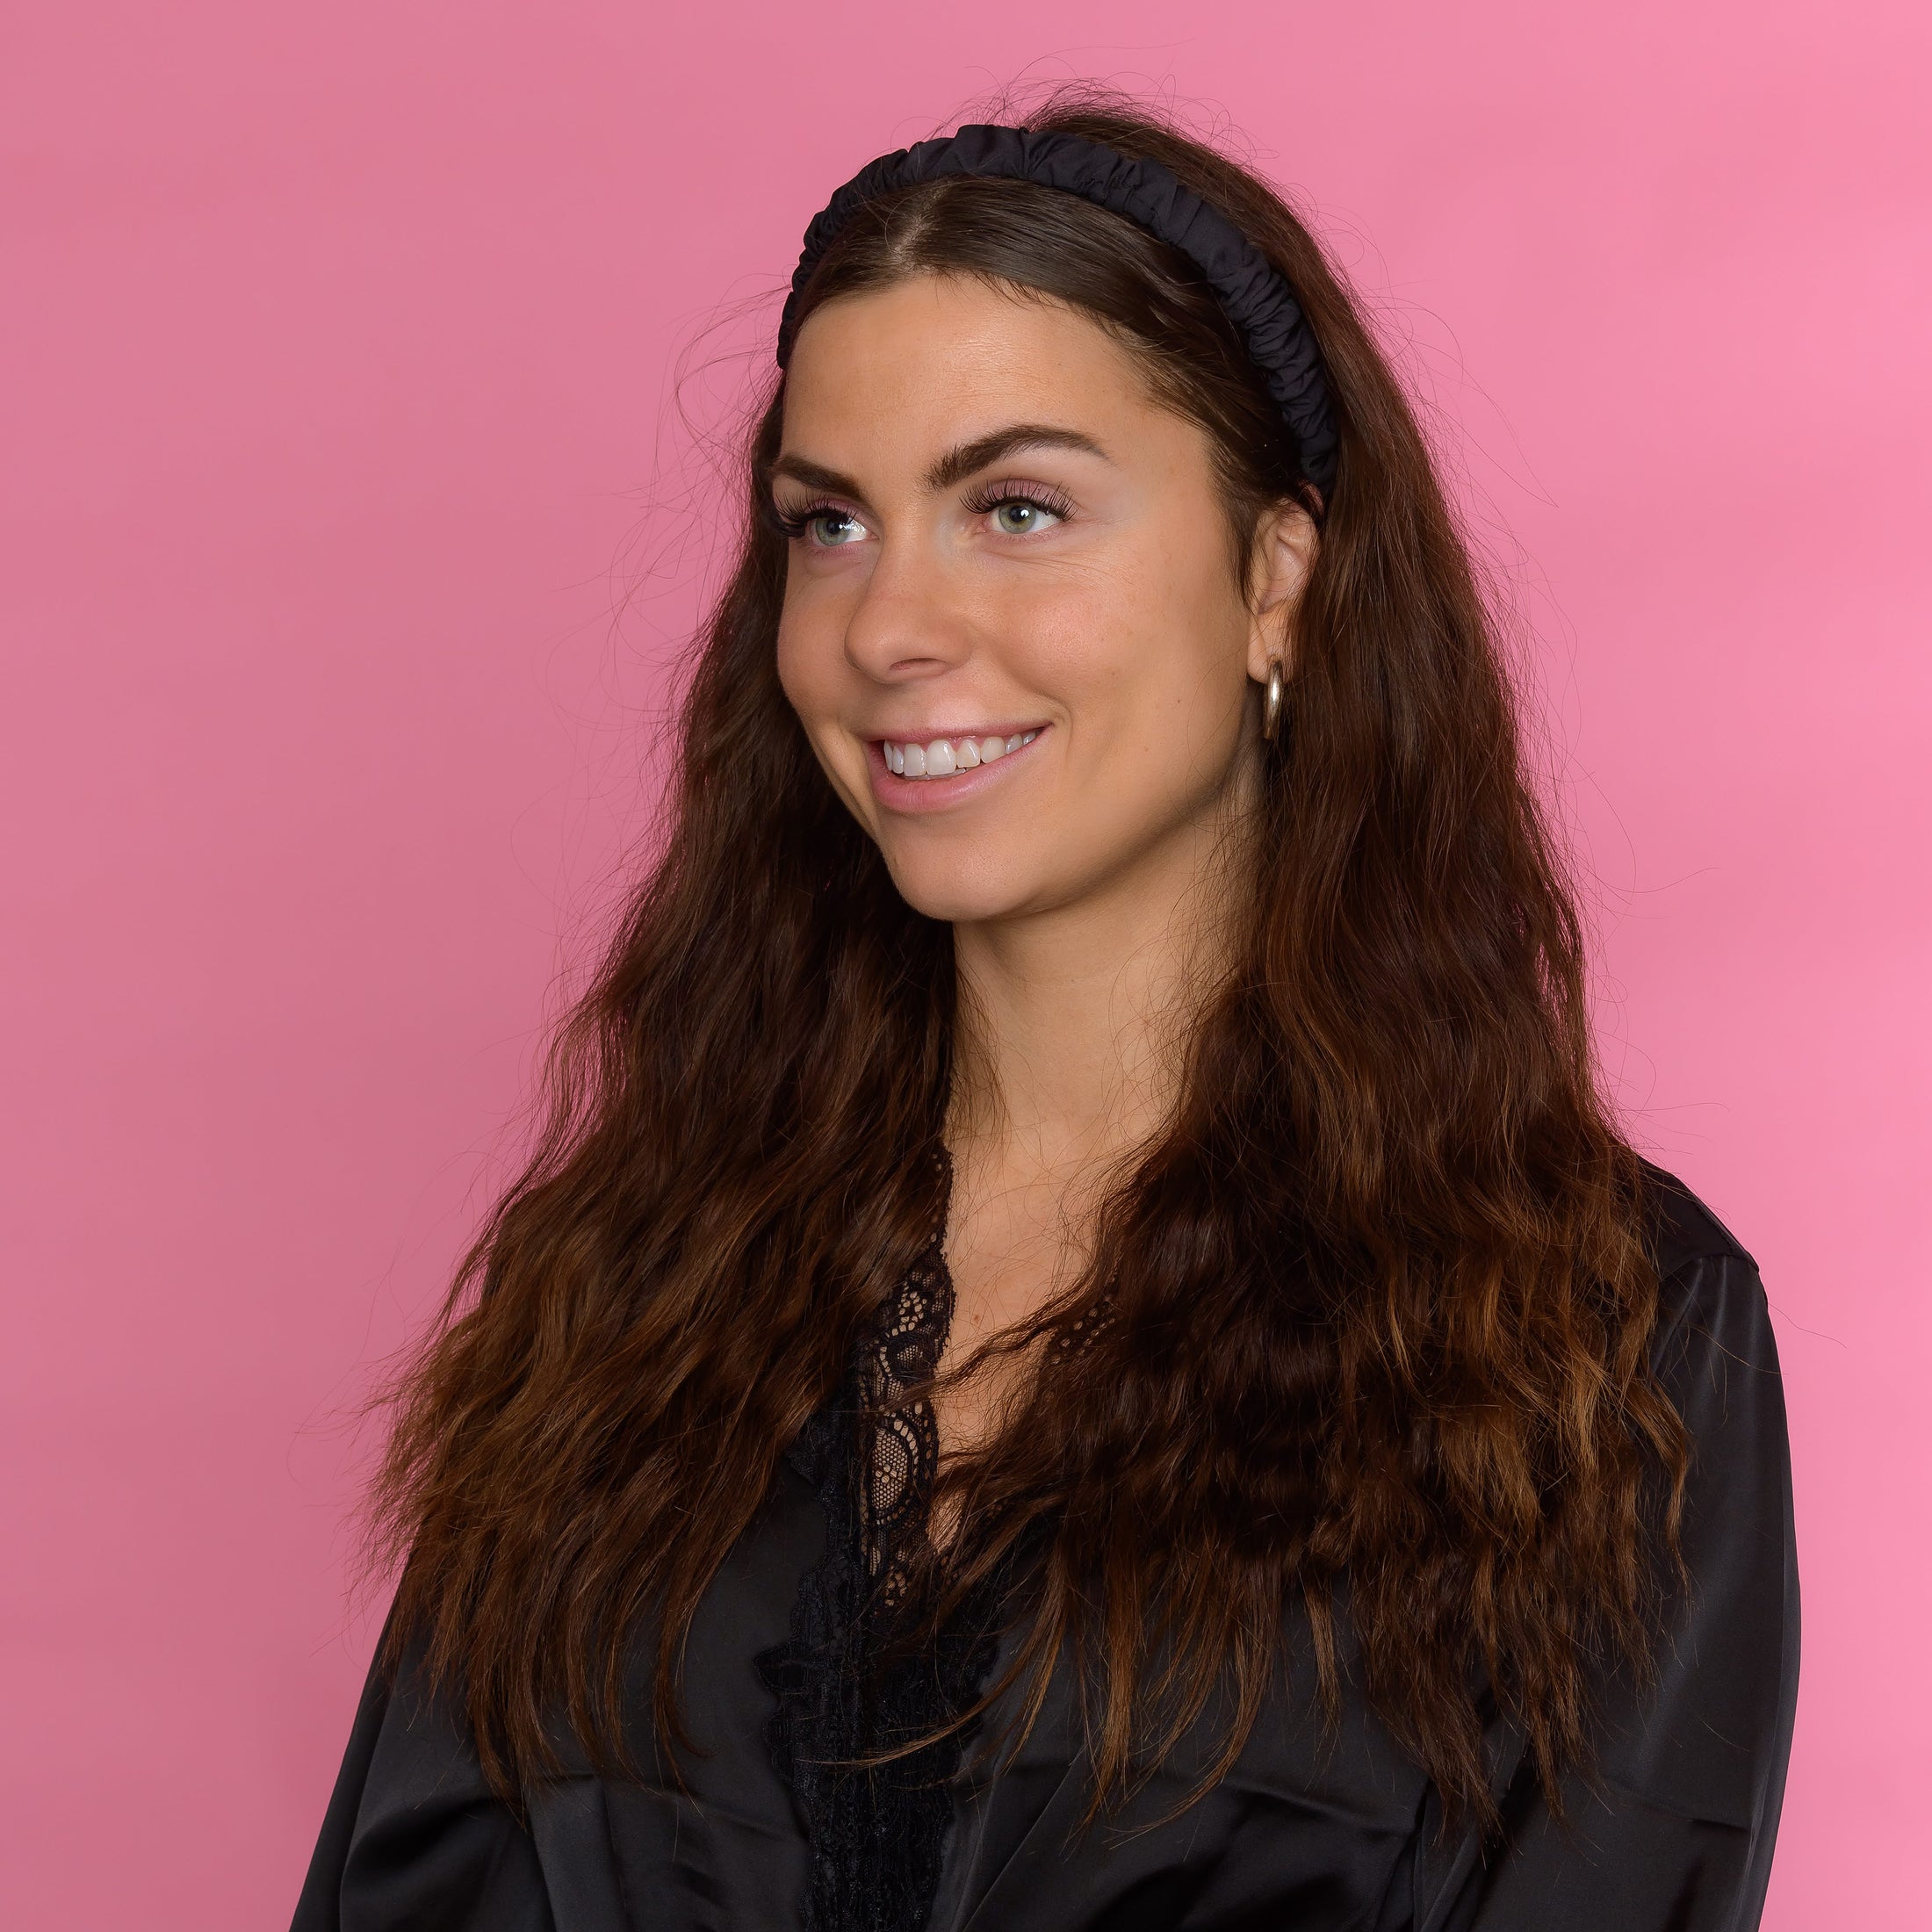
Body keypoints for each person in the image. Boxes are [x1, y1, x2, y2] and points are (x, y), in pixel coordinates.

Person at [292, 95, 1797, 1932]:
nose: (887, 627)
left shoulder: (1597, 1342)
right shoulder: (631, 1290)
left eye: (1016, 508)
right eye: (829, 524)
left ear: (1276, 579)